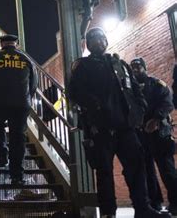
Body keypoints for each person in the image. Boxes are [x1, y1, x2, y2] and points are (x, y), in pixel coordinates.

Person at [68, 27, 170, 218]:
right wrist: (95, 110)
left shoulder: (120, 64)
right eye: (93, 39)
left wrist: (139, 112)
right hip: (101, 129)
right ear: (88, 45)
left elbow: (135, 93)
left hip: (126, 128)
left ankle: (143, 209)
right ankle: (108, 213)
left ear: (106, 41)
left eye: (101, 38)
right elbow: (74, 93)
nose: (98, 41)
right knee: (105, 172)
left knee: (137, 168)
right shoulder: (82, 66)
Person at [0, 34, 37, 185]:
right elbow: (33, 84)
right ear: (16, 44)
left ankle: (1, 155)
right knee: (18, 138)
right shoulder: (26, 59)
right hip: (20, 104)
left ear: (2, 44)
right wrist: (26, 97)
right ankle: (17, 175)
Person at [131, 57, 177, 214]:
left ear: (145, 67)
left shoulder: (157, 85)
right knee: (148, 171)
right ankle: (155, 204)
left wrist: (156, 119)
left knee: (167, 170)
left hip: (159, 135)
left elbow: (168, 102)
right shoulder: (131, 89)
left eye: (138, 66)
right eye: (132, 67)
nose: (135, 69)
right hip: (142, 137)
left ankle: (176, 203)